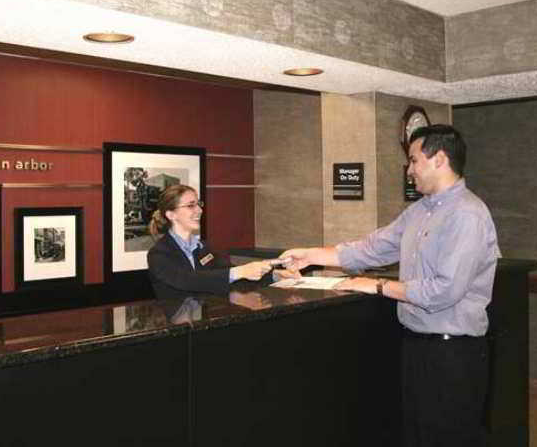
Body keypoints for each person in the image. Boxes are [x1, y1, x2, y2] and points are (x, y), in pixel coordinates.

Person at [281, 124, 500, 447]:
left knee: (448, 437)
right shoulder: (419, 212)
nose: (409, 170)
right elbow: (369, 249)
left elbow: (443, 291)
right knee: (416, 435)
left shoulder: (468, 215)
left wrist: (378, 285)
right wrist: (309, 255)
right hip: (417, 346)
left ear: (439, 159)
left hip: (453, 353)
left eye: (413, 160)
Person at [147, 184, 276, 300]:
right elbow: (188, 280)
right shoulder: (158, 254)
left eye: (198, 204)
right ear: (171, 215)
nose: (199, 210)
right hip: (176, 324)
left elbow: (230, 276)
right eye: (191, 205)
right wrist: (239, 271)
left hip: (205, 320)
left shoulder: (204, 248)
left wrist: (275, 275)